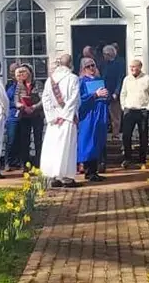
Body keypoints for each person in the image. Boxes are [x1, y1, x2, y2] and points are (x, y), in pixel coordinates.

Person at [40, 53, 79, 189]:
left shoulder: (50, 80)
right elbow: (74, 99)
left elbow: (45, 99)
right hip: (67, 118)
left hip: (55, 118)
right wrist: (65, 115)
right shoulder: (73, 78)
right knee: (67, 147)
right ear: (70, 64)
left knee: (54, 147)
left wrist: (52, 116)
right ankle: (67, 178)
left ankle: (54, 177)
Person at [120, 60, 149, 167]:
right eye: (130, 67)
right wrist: (124, 107)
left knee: (143, 135)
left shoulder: (147, 79)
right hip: (129, 110)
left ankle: (142, 159)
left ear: (140, 67)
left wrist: (148, 108)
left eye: (134, 67)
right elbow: (123, 94)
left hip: (142, 110)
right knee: (126, 135)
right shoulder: (127, 79)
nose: (132, 69)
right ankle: (127, 158)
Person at [78, 58, 109, 182]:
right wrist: (95, 95)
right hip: (88, 116)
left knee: (97, 141)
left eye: (93, 65)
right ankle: (88, 171)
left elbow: (105, 99)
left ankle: (94, 170)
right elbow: (80, 99)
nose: (91, 68)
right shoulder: (81, 82)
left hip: (100, 114)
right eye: (88, 66)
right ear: (83, 69)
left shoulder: (99, 81)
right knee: (88, 142)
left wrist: (106, 95)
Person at [15, 64, 44, 168]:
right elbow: (16, 100)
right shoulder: (19, 85)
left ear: (30, 73)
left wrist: (33, 107)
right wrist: (22, 106)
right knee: (24, 140)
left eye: (24, 72)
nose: (22, 74)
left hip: (36, 114)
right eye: (21, 72)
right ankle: (25, 165)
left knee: (38, 140)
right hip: (24, 115)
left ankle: (38, 163)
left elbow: (43, 99)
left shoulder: (38, 84)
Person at [101, 44, 125, 141]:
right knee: (105, 114)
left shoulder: (120, 62)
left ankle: (115, 135)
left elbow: (120, 78)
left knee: (115, 116)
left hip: (114, 93)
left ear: (108, 54)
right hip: (104, 92)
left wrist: (116, 92)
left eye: (104, 54)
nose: (103, 56)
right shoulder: (105, 64)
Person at [4, 62, 20, 170]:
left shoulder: (23, 84)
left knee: (21, 139)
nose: (13, 74)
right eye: (11, 71)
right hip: (11, 114)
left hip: (22, 113)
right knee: (11, 139)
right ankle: (7, 162)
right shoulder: (8, 85)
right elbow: (5, 100)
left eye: (15, 71)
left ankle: (19, 161)